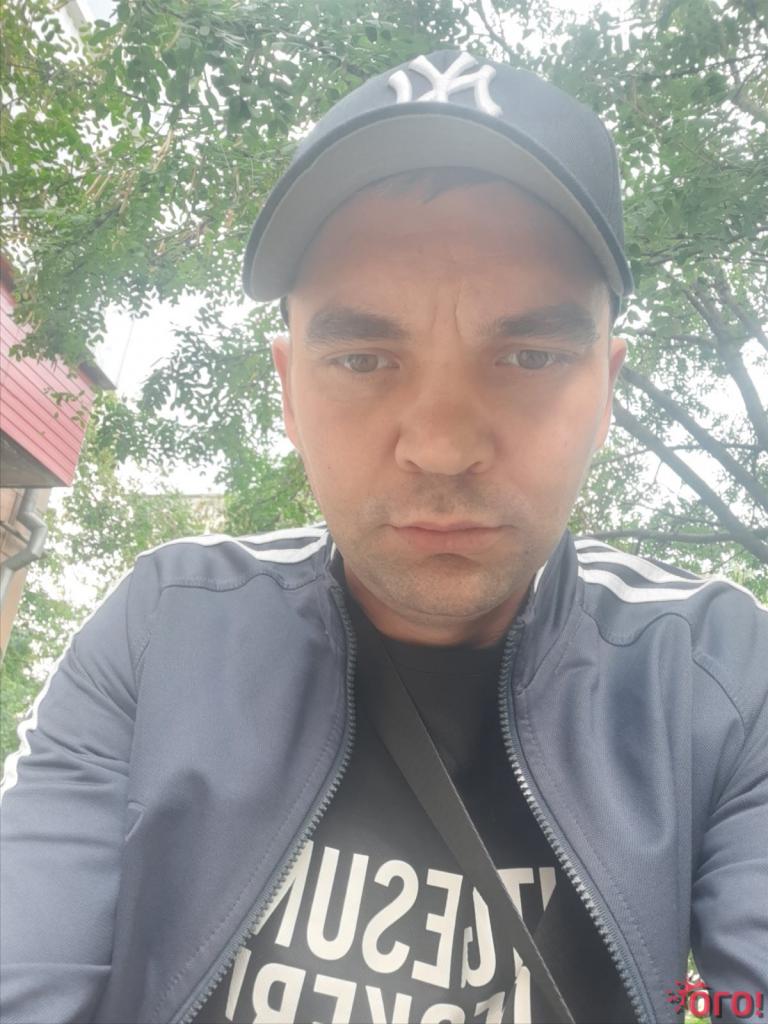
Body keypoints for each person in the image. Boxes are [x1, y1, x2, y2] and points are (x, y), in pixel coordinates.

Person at [1, 48, 766, 1024]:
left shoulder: (714, 678)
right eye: (364, 358)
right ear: (288, 390)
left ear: (606, 388)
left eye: (530, 355)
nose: (441, 446)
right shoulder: (165, 633)